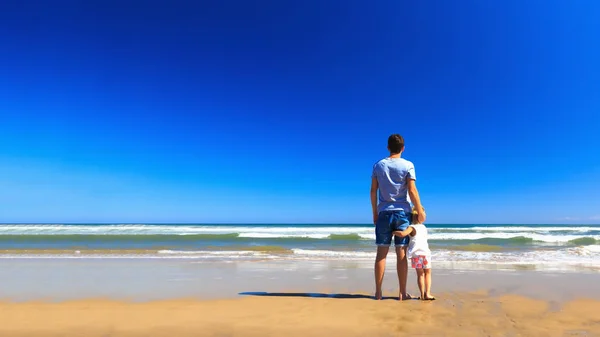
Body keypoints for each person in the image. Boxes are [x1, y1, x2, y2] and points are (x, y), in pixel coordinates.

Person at [370, 134, 426, 300]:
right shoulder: (408, 165)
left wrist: (375, 212)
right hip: (402, 213)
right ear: (403, 148)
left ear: (388, 147)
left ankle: (378, 292)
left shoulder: (378, 165)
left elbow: (373, 191)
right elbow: (412, 190)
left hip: (384, 212)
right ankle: (402, 293)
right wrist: (419, 210)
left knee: (381, 253)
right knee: (401, 253)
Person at [393, 208, 435, 300]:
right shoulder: (424, 227)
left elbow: (402, 234)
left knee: (420, 274)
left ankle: (422, 295)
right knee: (428, 273)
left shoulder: (411, 227)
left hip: (416, 254)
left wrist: (393, 232)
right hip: (426, 253)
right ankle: (427, 293)